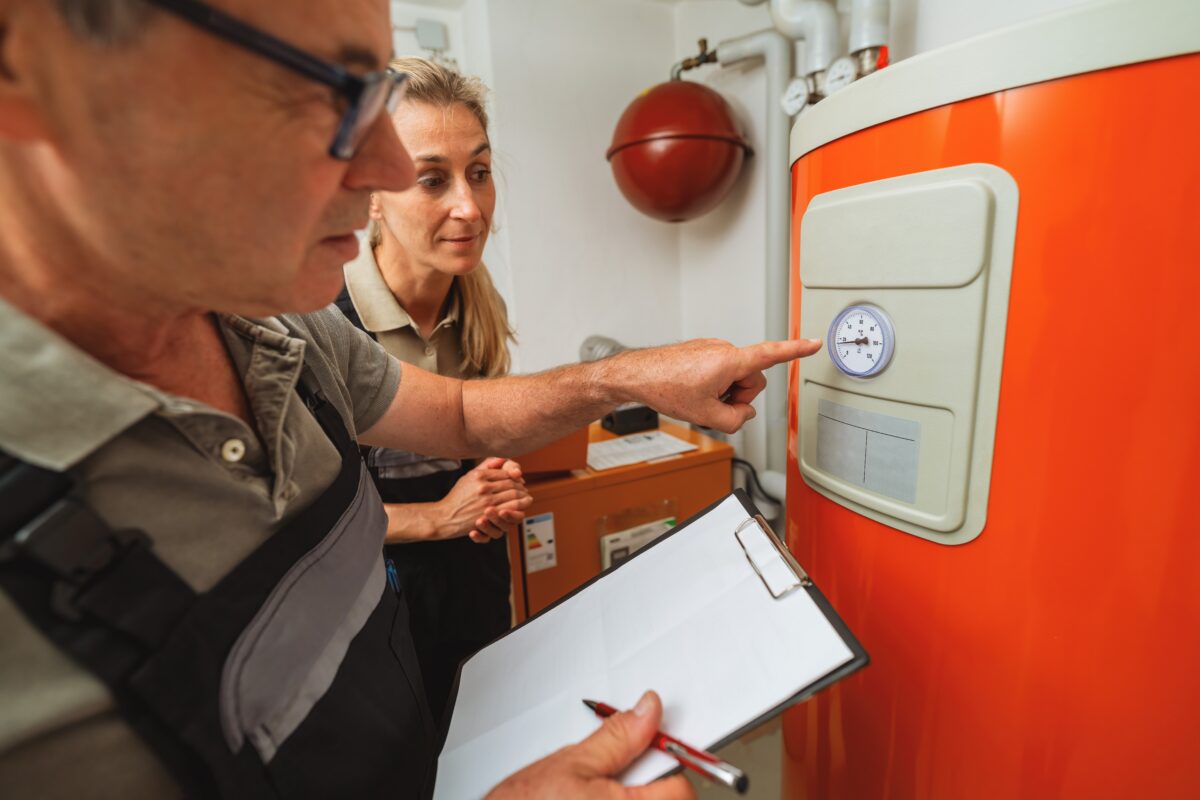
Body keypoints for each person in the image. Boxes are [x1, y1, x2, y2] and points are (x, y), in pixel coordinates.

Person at [0, 1, 821, 798]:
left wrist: (627, 376)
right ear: (35, 66)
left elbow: (461, 415)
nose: (387, 174)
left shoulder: (284, 332)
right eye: (330, 89)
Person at [334, 56, 525, 724]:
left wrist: (493, 488)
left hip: (472, 593)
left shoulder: (479, 307)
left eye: (478, 171)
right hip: (370, 618)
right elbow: (306, 524)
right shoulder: (328, 322)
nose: (469, 207)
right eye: (431, 179)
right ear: (374, 194)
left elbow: (474, 456)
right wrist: (442, 514)